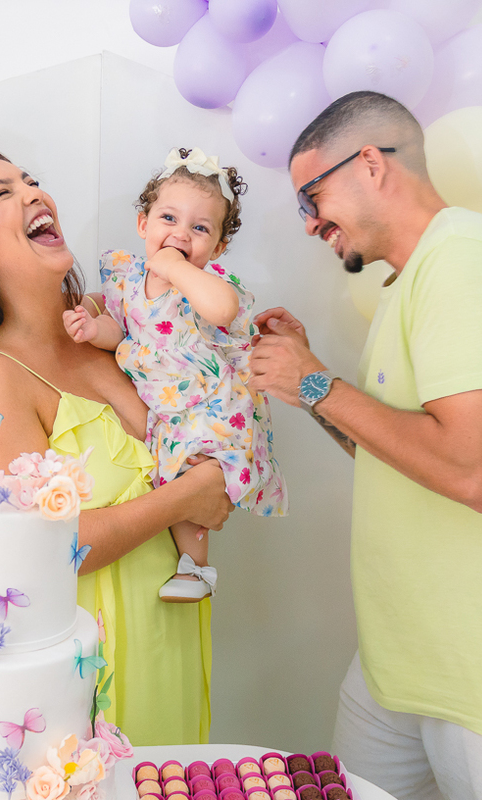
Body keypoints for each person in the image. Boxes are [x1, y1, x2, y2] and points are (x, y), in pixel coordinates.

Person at [249, 91, 482, 800]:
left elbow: (475, 474)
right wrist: (312, 384)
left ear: (370, 164)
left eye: (310, 197)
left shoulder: (465, 264)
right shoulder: (416, 278)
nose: (309, 223)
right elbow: (405, 456)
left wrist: (320, 384)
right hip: (405, 666)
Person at [0, 147, 232, 744]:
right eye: (2, 193)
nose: (33, 193)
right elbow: (28, 552)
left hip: (170, 633)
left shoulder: (113, 329)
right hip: (92, 668)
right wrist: (187, 498)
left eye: (30, 180)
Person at [62, 146, 287, 603]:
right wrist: (93, 329)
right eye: (168, 218)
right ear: (143, 224)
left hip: (210, 402)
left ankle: (197, 568)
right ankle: (190, 565)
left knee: (194, 473)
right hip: (167, 408)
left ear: (218, 248)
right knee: (174, 480)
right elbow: (122, 330)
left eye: (200, 228)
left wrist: (177, 268)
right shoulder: (126, 279)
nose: (181, 233)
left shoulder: (208, 284)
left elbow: (222, 310)